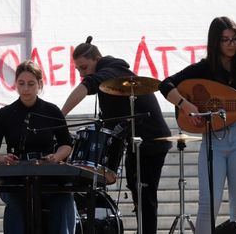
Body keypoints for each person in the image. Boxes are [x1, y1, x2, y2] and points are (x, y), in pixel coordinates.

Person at [159, 16, 236, 234]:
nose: (231, 44)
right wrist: (187, 105)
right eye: (225, 40)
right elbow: (165, 84)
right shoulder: (204, 68)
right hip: (213, 140)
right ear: (215, 42)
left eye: (234, 39)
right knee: (208, 205)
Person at [61, 36, 172, 234]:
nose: (81, 74)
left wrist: (60, 118)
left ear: (96, 59)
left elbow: (86, 86)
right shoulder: (110, 77)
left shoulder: (112, 71)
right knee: (137, 190)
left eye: (84, 68)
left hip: (151, 141)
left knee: (145, 194)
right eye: (78, 69)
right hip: (135, 142)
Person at [0, 60, 75, 234]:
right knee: (16, 201)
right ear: (15, 84)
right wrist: (2, 159)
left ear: (40, 84)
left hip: (48, 174)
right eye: (21, 83)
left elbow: (66, 144)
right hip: (16, 176)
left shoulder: (52, 110)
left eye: (31, 84)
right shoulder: (5, 114)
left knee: (63, 197)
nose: (26, 88)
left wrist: (56, 157)